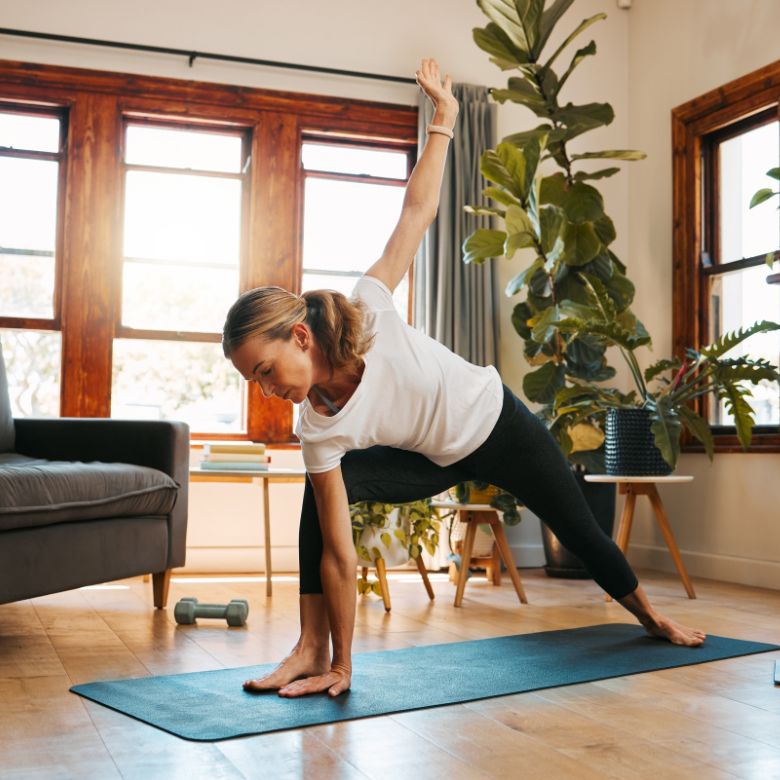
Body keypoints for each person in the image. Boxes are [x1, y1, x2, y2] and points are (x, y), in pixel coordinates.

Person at [222, 58, 706, 699]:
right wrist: (346, 666)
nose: (265, 388)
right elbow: (339, 552)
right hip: (434, 459)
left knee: (581, 530)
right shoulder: (315, 425)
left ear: (301, 337)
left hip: (496, 423)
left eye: (264, 370)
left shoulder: (371, 309)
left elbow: (416, 213)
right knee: (321, 499)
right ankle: (313, 651)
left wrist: (445, 121)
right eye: (253, 381)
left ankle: (652, 617)